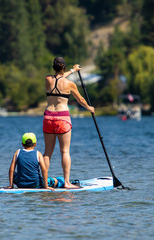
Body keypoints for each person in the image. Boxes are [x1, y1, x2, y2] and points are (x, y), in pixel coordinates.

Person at [43, 57, 95, 189]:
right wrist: (89, 108)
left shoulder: (48, 79)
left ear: (53, 67)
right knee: (65, 151)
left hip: (48, 117)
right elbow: (80, 99)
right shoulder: (70, 84)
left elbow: (58, 78)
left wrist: (72, 70)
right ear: (64, 67)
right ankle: (66, 182)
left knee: (48, 152)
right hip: (62, 119)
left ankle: (43, 182)